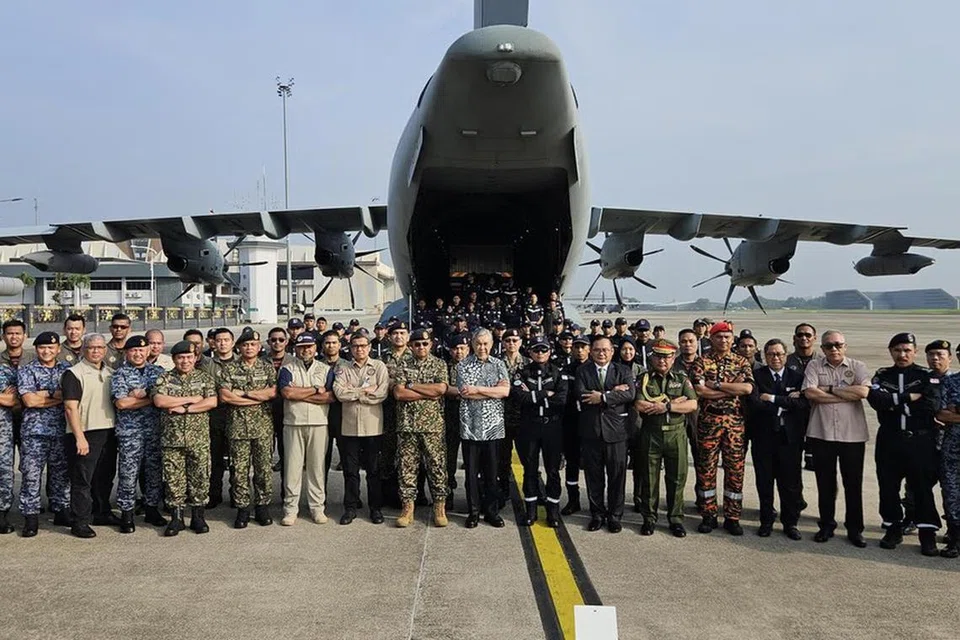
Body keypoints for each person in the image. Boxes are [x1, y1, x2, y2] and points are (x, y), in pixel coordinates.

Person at [867, 332, 941, 555]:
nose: (902, 355)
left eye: (907, 350)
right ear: (891, 352)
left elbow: (930, 405)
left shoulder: (926, 376)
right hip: (889, 439)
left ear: (915, 352)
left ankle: (927, 533)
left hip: (919, 440)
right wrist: (909, 398)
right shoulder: (882, 375)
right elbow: (876, 401)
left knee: (922, 488)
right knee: (888, 486)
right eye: (897, 350)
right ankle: (893, 528)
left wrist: (893, 403)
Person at [802, 330, 871, 547]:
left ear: (845, 346)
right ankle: (826, 525)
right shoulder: (814, 366)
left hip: (852, 435)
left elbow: (862, 393)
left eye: (838, 344)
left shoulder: (857, 366)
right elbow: (810, 393)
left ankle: (855, 529)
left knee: (853, 484)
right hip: (821, 434)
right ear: (822, 348)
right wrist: (845, 394)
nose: (834, 349)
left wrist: (829, 389)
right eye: (829, 345)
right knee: (825, 483)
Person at [690, 321, 754, 536]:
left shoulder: (741, 361)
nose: (723, 340)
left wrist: (717, 385)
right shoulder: (702, 361)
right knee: (706, 469)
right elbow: (700, 391)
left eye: (727, 337)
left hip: (735, 424)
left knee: (735, 470)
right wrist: (731, 389)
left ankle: (732, 517)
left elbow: (747, 388)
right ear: (711, 338)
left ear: (732, 339)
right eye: (719, 336)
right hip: (709, 423)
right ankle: (708, 515)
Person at [151, 341, 219, 536]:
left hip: (198, 438)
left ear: (195, 358)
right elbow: (159, 400)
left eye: (189, 357)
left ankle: (198, 517)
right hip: (172, 439)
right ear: (174, 359)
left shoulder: (204, 378)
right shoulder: (165, 378)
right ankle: (177, 518)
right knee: (173, 478)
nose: (185, 361)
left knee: (200, 476)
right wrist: (191, 399)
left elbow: (212, 401)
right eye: (181, 358)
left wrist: (184, 409)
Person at [745, 338, 808, 540]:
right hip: (763, 438)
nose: (776, 358)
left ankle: (790, 523)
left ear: (786, 355)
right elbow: (755, 403)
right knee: (765, 482)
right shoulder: (756, 376)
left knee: (790, 483)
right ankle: (766, 521)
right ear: (765, 356)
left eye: (779, 354)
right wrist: (786, 403)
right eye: (771, 354)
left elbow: (802, 405)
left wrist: (772, 399)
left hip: (789, 439)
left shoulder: (797, 377)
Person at [635, 339, 698, 537]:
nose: (662, 360)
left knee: (677, 479)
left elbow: (692, 404)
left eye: (667, 357)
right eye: (658, 356)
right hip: (651, 433)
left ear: (673, 358)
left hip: (676, 434)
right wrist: (676, 402)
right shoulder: (644, 379)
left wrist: (667, 406)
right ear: (652, 358)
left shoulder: (681, 378)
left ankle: (675, 519)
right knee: (649, 478)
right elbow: (639, 404)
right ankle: (649, 518)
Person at [575, 336, 637, 533]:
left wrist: (602, 396)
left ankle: (615, 515)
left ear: (612, 351)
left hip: (616, 432)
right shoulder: (583, 371)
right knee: (594, 477)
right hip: (591, 431)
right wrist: (613, 392)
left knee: (617, 477)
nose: (601, 353)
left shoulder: (623, 371)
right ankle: (597, 514)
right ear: (591, 352)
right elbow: (582, 394)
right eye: (597, 350)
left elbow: (630, 394)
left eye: (605, 350)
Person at [217, 329, 277, 528]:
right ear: (239, 347)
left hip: (263, 427)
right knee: (239, 470)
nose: (249, 348)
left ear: (259, 347)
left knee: (263, 469)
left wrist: (242, 393)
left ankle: (262, 506)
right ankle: (242, 508)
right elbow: (225, 396)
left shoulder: (267, 367)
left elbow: (272, 393)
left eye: (253, 344)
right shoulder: (230, 369)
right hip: (238, 428)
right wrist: (256, 398)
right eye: (245, 345)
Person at [61, 333, 118, 538]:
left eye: (100, 347)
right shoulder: (74, 373)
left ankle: (102, 512)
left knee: (104, 477)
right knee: (82, 480)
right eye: (91, 347)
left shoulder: (111, 372)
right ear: (84, 349)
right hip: (85, 432)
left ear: (105, 350)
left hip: (108, 430)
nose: (96, 351)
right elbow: (70, 408)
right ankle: (80, 521)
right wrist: (79, 437)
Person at [393, 329, 450, 527]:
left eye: (425, 344)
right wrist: (428, 392)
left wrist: (411, 385)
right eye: (417, 344)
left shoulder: (439, 364)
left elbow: (440, 389)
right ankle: (407, 508)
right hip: (407, 426)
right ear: (411, 346)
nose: (421, 347)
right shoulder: (403, 364)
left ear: (431, 344)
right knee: (406, 468)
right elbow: (399, 393)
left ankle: (439, 507)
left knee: (437, 466)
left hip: (432, 426)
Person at [17, 331, 71, 536]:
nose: (46, 351)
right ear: (36, 349)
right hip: (34, 433)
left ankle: (61, 510)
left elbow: (71, 397)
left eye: (50, 347)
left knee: (61, 474)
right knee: (31, 475)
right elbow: (29, 401)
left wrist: (42, 395)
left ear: (58, 349)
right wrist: (55, 395)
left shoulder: (67, 370)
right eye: (42, 347)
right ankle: (30, 517)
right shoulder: (27, 370)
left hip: (61, 430)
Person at [111, 334, 167, 533]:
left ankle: (152, 509)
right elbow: (122, 403)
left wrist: (139, 396)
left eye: (141, 350)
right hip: (130, 433)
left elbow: (165, 397)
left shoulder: (158, 372)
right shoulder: (120, 374)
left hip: (154, 430)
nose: (138, 354)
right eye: (134, 350)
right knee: (128, 473)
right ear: (127, 353)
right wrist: (152, 398)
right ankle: (127, 513)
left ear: (148, 351)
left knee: (154, 471)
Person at [332, 331, 389, 525]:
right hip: (349, 428)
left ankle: (375, 508)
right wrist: (364, 391)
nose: (359, 349)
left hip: (373, 426)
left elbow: (381, 393)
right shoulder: (342, 368)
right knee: (350, 471)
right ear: (350, 348)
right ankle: (350, 507)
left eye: (363, 345)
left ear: (369, 347)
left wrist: (353, 392)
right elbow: (339, 393)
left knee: (373, 471)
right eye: (355, 346)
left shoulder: (379, 366)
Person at [278, 334, 335, 525]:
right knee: (292, 469)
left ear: (315, 348)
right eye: (302, 346)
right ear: (296, 349)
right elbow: (287, 393)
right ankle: (290, 509)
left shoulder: (325, 369)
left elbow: (329, 397)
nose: (306, 350)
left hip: (319, 423)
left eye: (309, 346)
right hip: (293, 423)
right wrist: (315, 389)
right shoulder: (287, 368)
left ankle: (317, 508)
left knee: (316, 468)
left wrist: (300, 393)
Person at [511, 336, 568, 527]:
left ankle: (553, 512)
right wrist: (545, 394)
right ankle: (531, 510)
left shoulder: (558, 373)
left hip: (552, 427)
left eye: (544, 349)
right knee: (530, 469)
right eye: (536, 350)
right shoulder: (522, 373)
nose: (540, 353)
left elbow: (561, 399)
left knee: (553, 470)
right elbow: (519, 396)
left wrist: (533, 396)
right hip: (530, 426)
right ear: (530, 352)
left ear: (550, 352)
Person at [457, 328, 511, 528]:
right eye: (478, 343)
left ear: (492, 344)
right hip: (470, 427)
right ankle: (473, 512)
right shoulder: (463, 365)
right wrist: (492, 391)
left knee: (492, 473)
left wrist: (477, 389)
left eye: (485, 343)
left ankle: (491, 512)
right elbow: (465, 393)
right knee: (471, 474)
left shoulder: (499, 364)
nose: (482, 347)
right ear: (472, 344)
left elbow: (505, 392)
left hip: (493, 427)